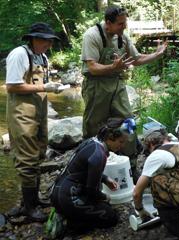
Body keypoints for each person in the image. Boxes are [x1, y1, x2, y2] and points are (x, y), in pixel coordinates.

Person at [81, 5, 168, 179]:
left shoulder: (122, 37)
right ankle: (92, 169)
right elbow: (92, 67)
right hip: (96, 86)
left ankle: (131, 165)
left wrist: (156, 55)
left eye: (125, 23)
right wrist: (112, 66)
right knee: (94, 127)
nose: (124, 27)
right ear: (108, 23)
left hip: (117, 84)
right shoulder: (92, 35)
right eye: (120, 24)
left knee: (128, 122)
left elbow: (137, 59)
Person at [6, 22, 63, 222]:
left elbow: (40, 85)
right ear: (35, 39)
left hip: (39, 113)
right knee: (27, 160)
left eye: (50, 41)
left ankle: (33, 200)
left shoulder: (43, 57)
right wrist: (44, 88)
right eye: (46, 41)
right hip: (22, 114)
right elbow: (12, 87)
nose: (49, 44)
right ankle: (28, 209)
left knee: (38, 154)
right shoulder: (19, 55)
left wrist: (51, 87)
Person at [50, 118, 134, 230]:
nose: (122, 146)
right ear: (110, 138)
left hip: (58, 192)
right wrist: (107, 197)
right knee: (111, 216)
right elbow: (92, 192)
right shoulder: (99, 155)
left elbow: (83, 171)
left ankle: (72, 215)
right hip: (68, 199)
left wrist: (105, 179)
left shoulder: (92, 141)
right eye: (121, 141)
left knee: (102, 205)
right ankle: (74, 223)